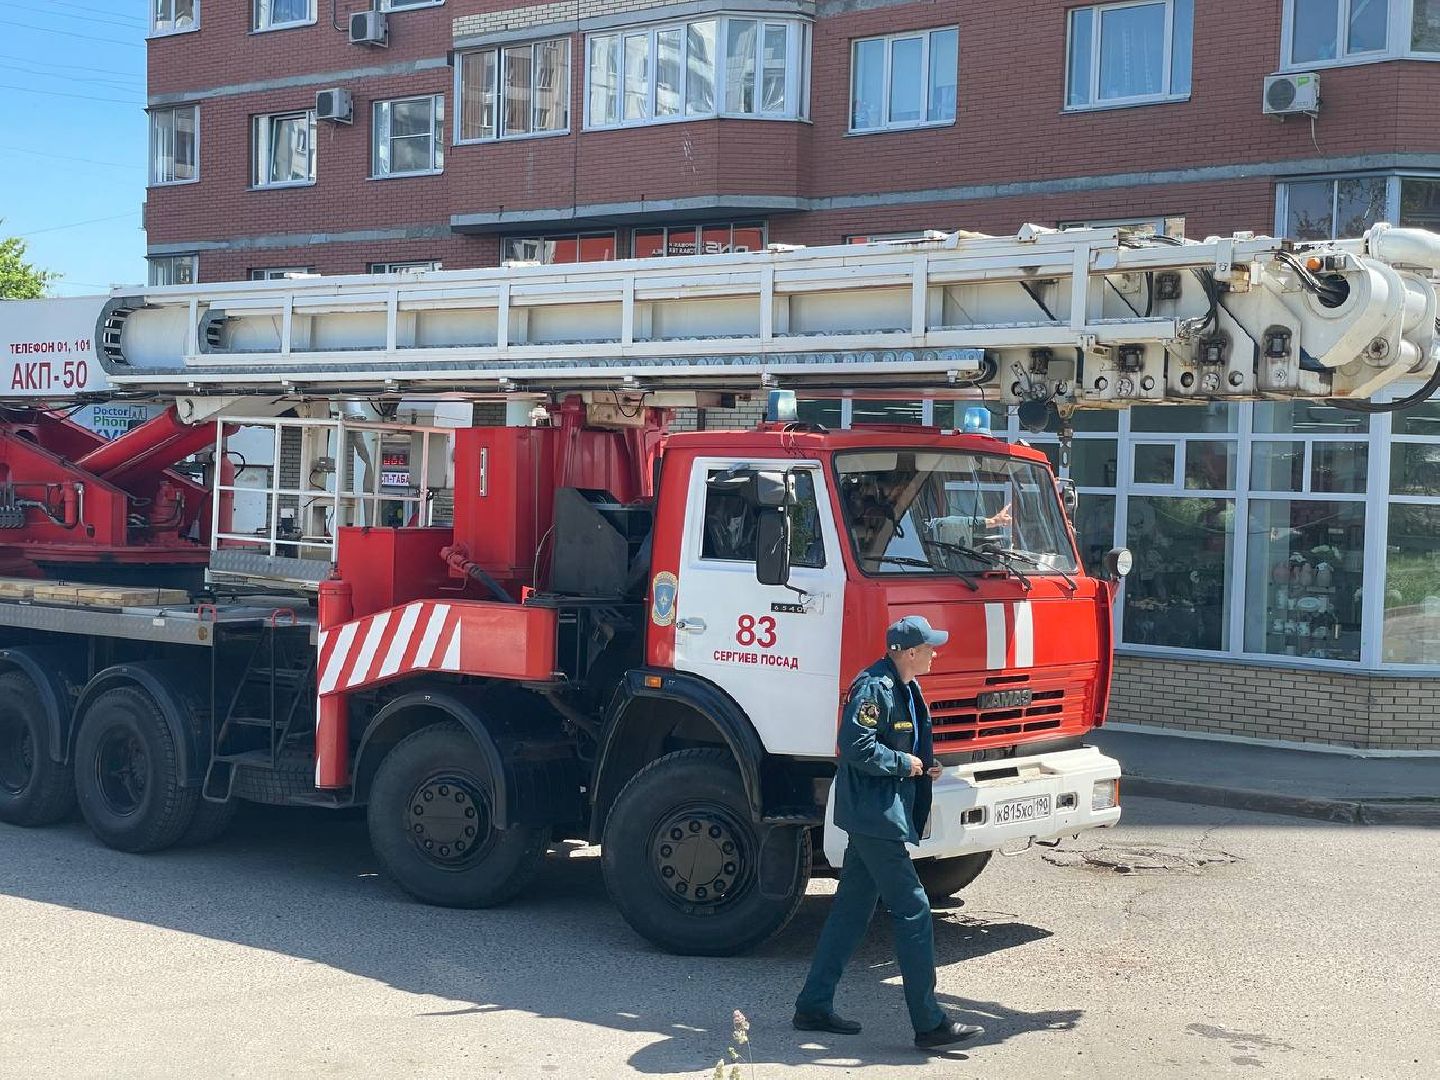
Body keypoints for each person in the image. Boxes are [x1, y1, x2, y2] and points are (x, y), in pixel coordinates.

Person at [793, 615, 984, 1051]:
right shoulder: (874, 687)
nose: (936, 652)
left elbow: (902, 744)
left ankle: (813, 1005)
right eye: (930, 647)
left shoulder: (907, 686)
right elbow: (855, 745)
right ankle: (929, 1023)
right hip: (873, 816)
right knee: (914, 909)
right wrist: (904, 765)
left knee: (852, 911)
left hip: (880, 814)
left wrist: (923, 766)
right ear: (909, 651)